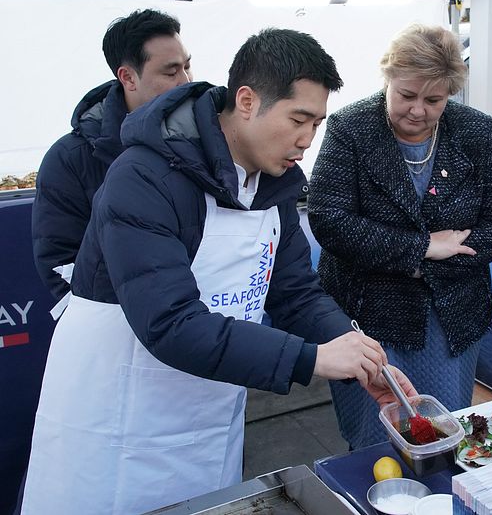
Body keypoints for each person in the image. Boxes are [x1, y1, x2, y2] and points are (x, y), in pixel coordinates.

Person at [21, 28, 414, 515]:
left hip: (206, 407)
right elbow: (170, 323)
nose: (308, 140)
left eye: (318, 123)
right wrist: (311, 359)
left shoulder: (274, 185)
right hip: (118, 411)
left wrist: (355, 352)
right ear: (247, 101)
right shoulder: (143, 177)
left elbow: (294, 293)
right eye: (299, 119)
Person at [307, 24, 492, 449]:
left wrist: (434, 266)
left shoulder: (472, 130)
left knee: (444, 431)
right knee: (375, 436)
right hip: (368, 318)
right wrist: (421, 249)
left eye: (434, 100)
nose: (418, 110)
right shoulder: (351, 128)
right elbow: (329, 219)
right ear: (387, 79)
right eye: (406, 95)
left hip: (450, 316)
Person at [32, 9, 192, 303]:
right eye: (171, 72)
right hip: (118, 328)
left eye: (188, 66)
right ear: (128, 77)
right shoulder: (71, 158)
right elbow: (60, 263)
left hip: (197, 319)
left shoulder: (202, 142)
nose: (186, 81)